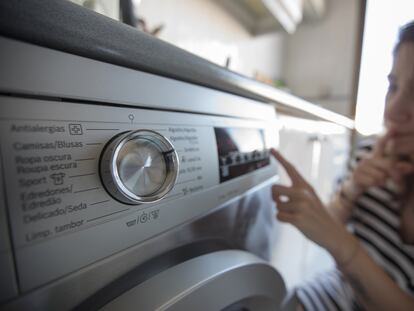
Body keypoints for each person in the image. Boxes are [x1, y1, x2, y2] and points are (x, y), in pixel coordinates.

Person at [271, 21, 414, 311]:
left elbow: (333, 236)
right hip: (327, 295)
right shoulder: (371, 153)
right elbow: (330, 223)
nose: (394, 110)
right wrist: (352, 188)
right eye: (393, 87)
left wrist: (341, 244)